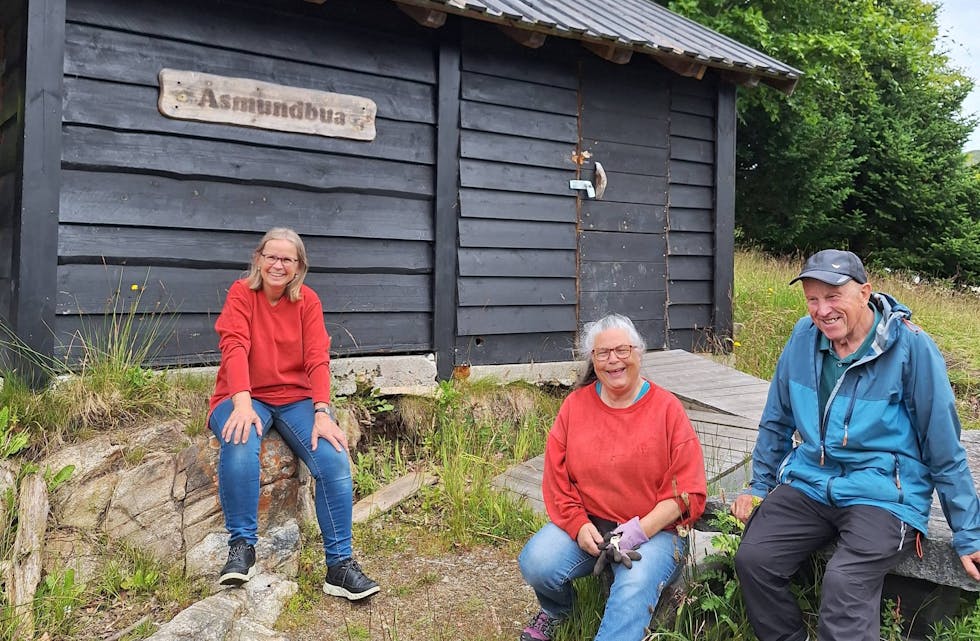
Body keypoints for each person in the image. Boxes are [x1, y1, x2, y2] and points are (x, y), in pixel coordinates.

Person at [731, 249, 980, 641]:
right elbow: (777, 419)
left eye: (833, 297)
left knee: (844, 584)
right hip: (811, 481)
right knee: (754, 559)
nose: (822, 310)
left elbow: (944, 447)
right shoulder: (802, 338)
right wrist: (758, 485)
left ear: (864, 293)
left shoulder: (911, 348)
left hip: (883, 493)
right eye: (812, 299)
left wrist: (969, 532)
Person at [208, 227, 379, 600]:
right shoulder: (241, 294)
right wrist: (240, 402)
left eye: (287, 259)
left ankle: (339, 566)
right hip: (243, 395)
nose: (278, 264)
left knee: (333, 459)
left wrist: (322, 410)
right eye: (271, 256)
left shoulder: (308, 302)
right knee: (240, 440)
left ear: (299, 266)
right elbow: (234, 346)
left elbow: (317, 357)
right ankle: (242, 548)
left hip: (296, 398)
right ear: (258, 259)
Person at [518, 313, 707, 641]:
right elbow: (556, 479)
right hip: (592, 525)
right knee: (537, 562)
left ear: (639, 352)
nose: (613, 361)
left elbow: (687, 491)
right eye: (603, 353)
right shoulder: (575, 406)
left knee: (633, 584)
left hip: (655, 532)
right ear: (593, 359)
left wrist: (635, 532)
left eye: (622, 350)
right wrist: (577, 526)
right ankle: (559, 612)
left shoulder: (667, 409)